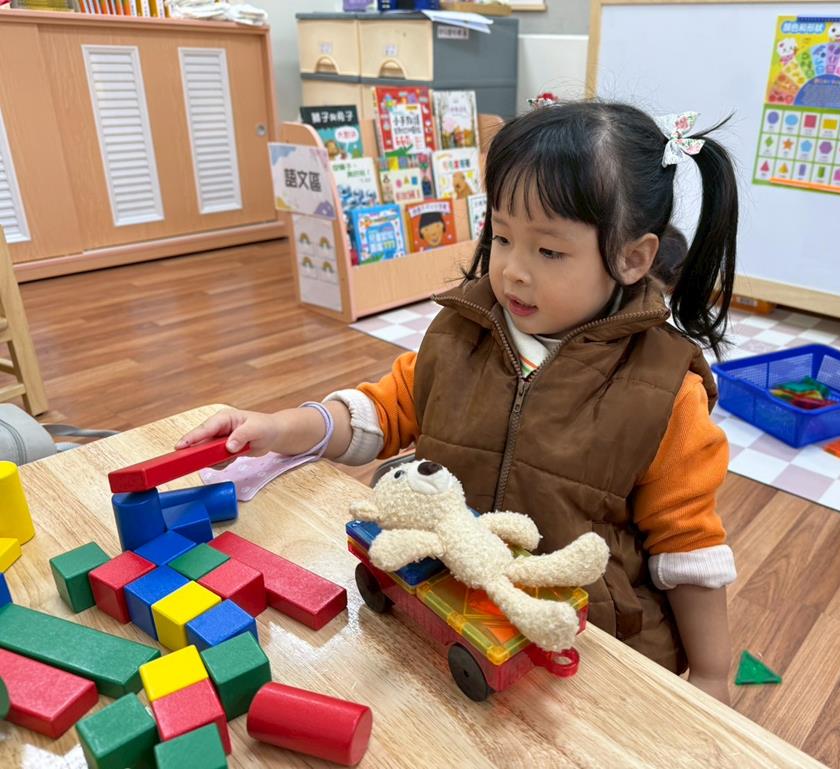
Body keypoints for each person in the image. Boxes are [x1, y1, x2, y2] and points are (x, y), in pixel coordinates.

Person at [179, 101, 739, 703]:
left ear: (633, 258)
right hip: (443, 603)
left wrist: (712, 674)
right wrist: (276, 427)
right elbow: (380, 411)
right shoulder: (461, 333)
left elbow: (689, 549)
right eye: (502, 236)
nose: (513, 270)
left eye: (549, 251)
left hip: (576, 645)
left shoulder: (666, 392)